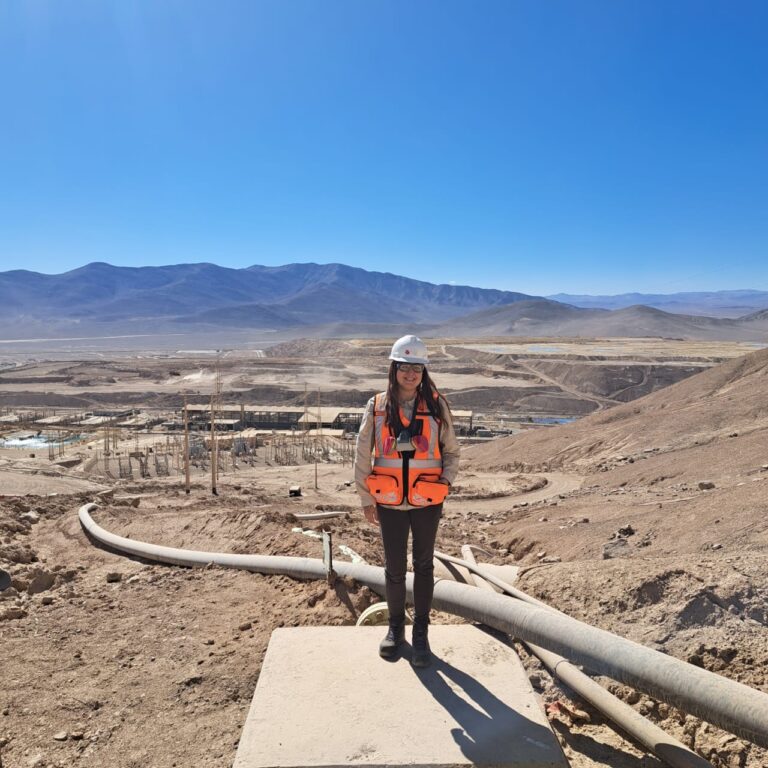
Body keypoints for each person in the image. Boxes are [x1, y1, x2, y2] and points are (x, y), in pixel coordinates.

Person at [354, 334, 460, 668]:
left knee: (425, 566)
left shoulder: (437, 405)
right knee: (395, 568)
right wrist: (365, 497)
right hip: (388, 501)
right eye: (404, 367)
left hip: (427, 500)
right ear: (394, 368)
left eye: (417, 368)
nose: (410, 374)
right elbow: (361, 453)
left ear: (424, 371)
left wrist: (445, 481)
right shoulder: (377, 406)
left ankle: (421, 635)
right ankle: (396, 629)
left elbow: (452, 450)